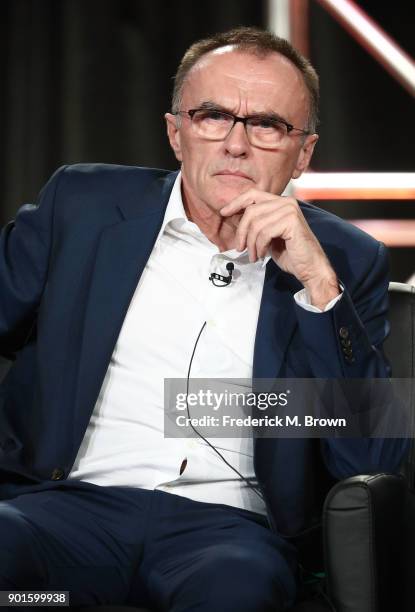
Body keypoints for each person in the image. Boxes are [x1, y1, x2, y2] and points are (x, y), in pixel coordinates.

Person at [0, 26, 407, 611]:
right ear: (176, 132)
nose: (236, 145)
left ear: (305, 152)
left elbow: (373, 461)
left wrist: (319, 288)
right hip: (65, 512)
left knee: (237, 590)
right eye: (213, 115)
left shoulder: (346, 259)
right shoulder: (83, 205)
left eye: (267, 124)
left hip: (225, 536)